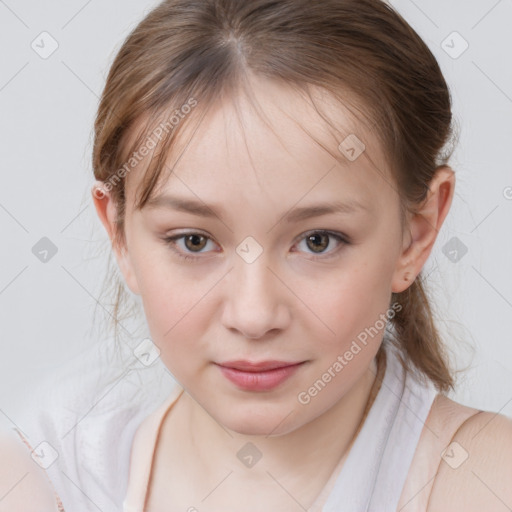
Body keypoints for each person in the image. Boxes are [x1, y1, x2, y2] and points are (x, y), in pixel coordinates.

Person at [2, 0, 511, 510]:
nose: (254, 316)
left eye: (318, 241)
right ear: (119, 233)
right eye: (193, 241)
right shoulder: (48, 481)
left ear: (415, 235)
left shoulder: (486, 483)